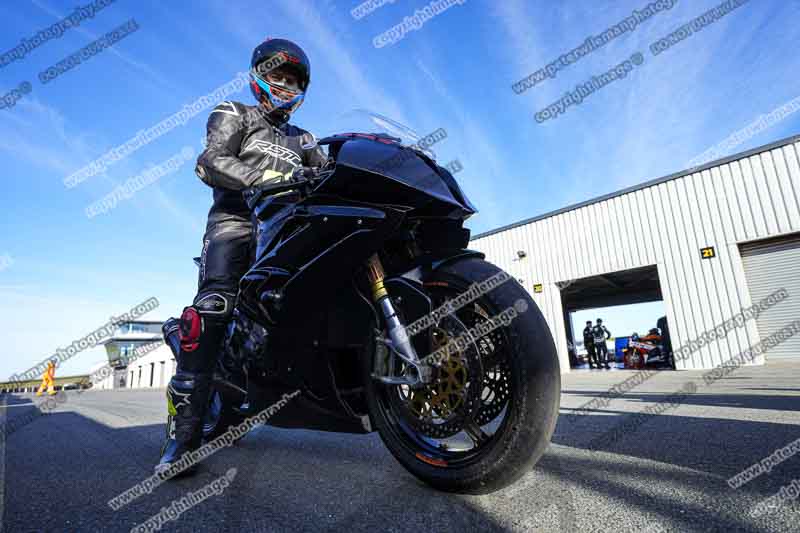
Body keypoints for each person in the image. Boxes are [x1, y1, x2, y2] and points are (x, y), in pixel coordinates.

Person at [155, 38, 327, 476]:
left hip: (284, 234)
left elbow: (327, 176)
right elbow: (210, 161)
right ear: (259, 77)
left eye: (293, 80)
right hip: (234, 227)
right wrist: (261, 177)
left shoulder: (304, 138)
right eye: (278, 76)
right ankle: (181, 441)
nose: (285, 85)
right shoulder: (235, 113)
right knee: (213, 312)